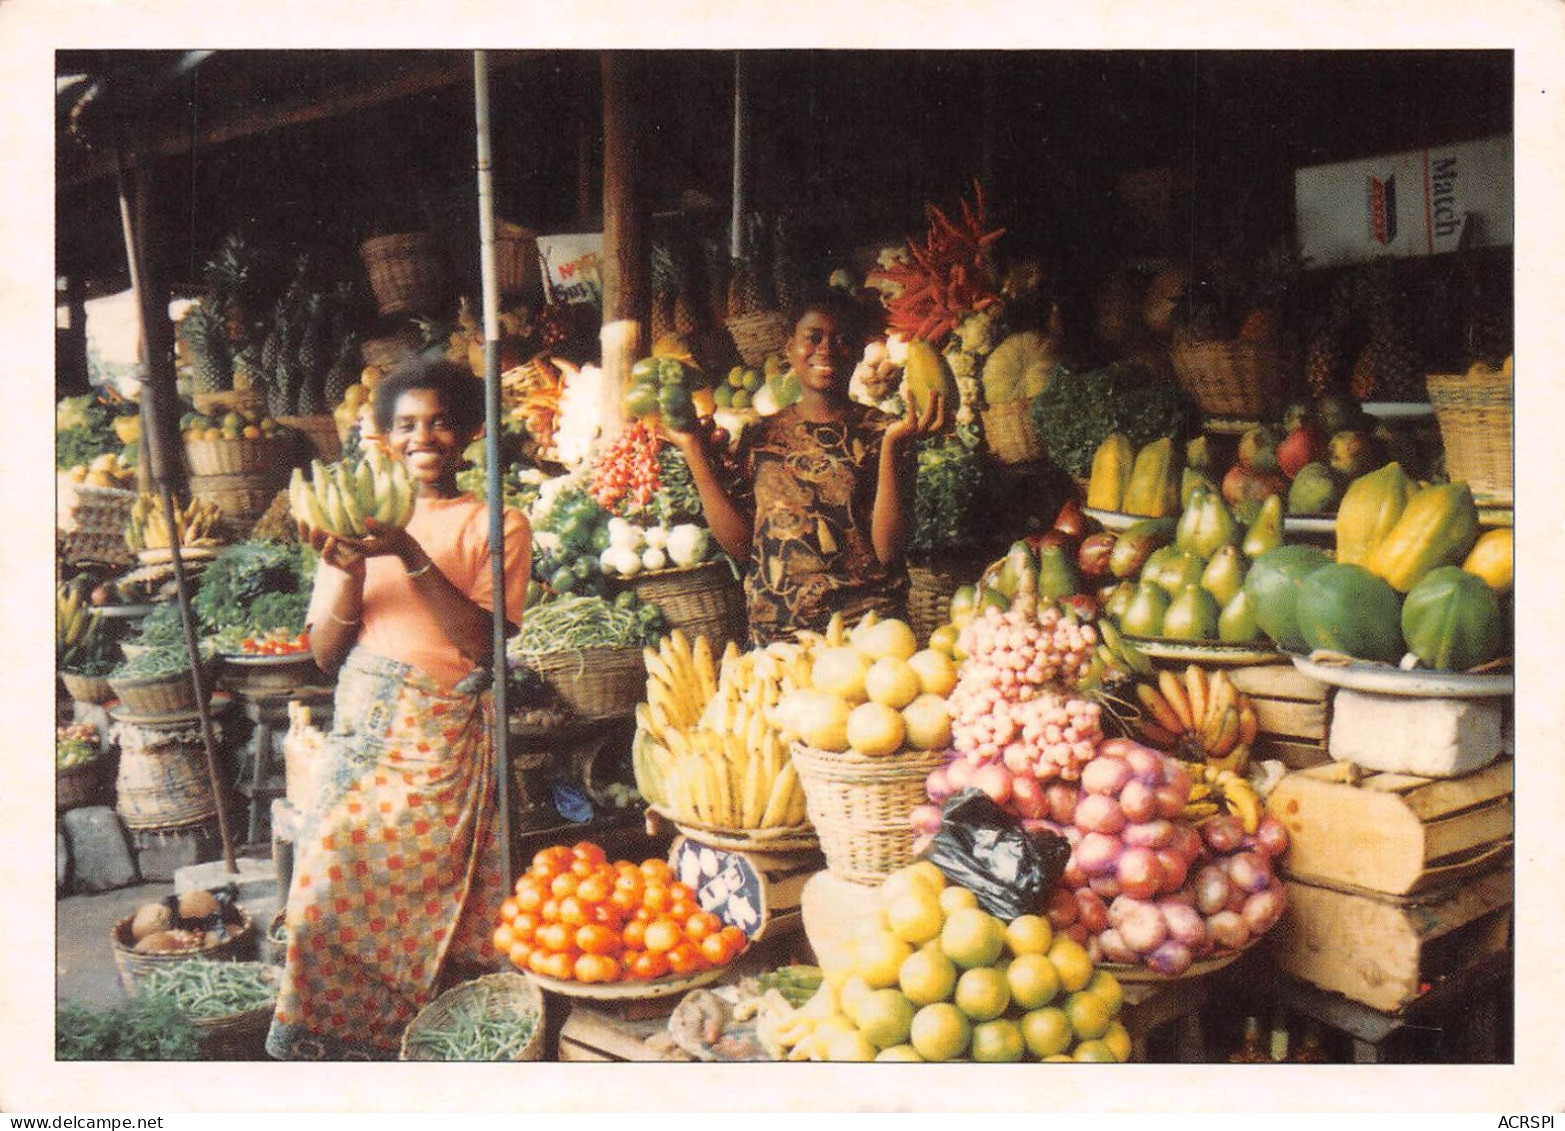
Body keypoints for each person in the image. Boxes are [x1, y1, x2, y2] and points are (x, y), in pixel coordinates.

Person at [267, 357, 531, 1060]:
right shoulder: (349, 518)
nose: (425, 436)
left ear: (472, 430)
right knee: (322, 897)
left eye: (441, 421)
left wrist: (409, 550)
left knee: (449, 904)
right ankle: (341, 1043)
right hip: (365, 740)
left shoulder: (494, 523)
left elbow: (483, 646)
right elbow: (325, 652)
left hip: (443, 740)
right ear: (383, 436)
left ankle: (429, 1045)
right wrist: (350, 569)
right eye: (407, 424)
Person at [667, 291, 948, 646]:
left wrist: (892, 447)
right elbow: (742, 547)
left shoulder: (884, 431)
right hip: (780, 637)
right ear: (790, 348)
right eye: (813, 337)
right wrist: (693, 449)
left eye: (842, 339)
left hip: (867, 634)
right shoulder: (759, 436)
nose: (826, 348)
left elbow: (888, 551)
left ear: (859, 352)